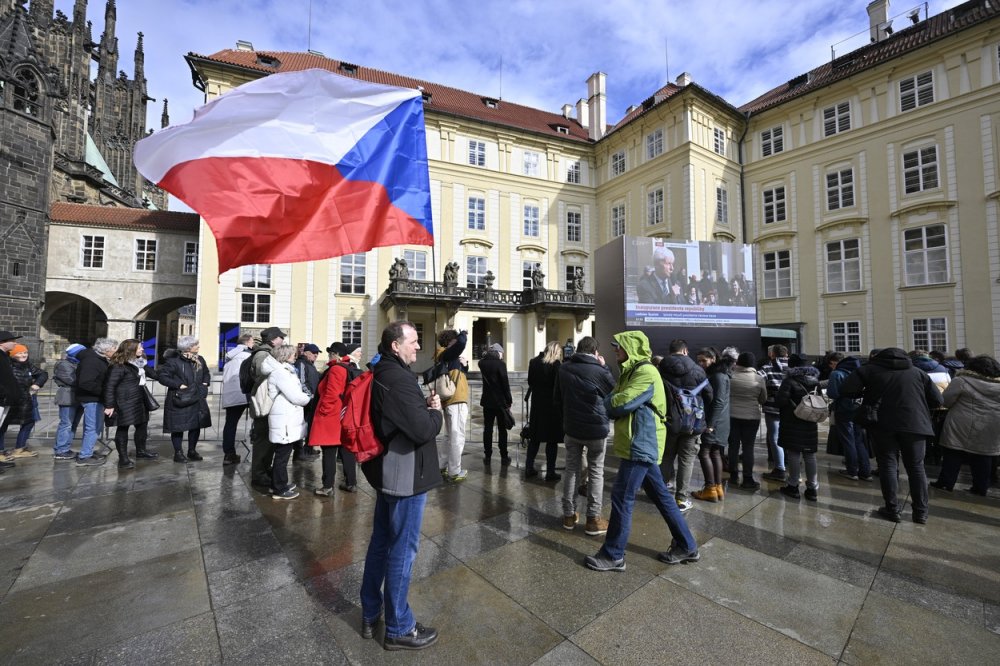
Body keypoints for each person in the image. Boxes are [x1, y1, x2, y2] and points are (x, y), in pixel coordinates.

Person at [584, 331, 699, 571]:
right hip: (639, 442)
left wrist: (609, 401)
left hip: (641, 444)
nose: (615, 349)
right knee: (662, 497)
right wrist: (612, 398)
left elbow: (620, 402)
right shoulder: (632, 371)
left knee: (622, 497)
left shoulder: (646, 372)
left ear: (632, 347)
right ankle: (687, 546)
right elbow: (616, 397)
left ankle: (613, 554)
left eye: (620, 346)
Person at [360, 321, 443, 650]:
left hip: (388, 474)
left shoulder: (382, 370)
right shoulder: (399, 379)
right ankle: (398, 626)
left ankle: (370, 611)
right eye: (413, 341)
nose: (418, 347)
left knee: (381, 543)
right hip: (405, 476)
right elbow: (422, 430)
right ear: (396, 345)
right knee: (402, 551)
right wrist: (435, 413)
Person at [840, 347, 943, 524]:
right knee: (916, 467)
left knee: (888, 464)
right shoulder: (918, 372)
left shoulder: (868, 370)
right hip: (915, 424)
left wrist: (867, 392)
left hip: (882, 423)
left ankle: (892, 509)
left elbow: (846, 390)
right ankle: (921, 512)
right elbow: (938, 400)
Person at [554, 335, 614, 536]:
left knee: (571, 470)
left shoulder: (564, 368)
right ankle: (593, 519)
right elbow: (612, 394)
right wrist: (605, 368)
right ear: (595, 352)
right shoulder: (599, 370)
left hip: (572, 427)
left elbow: (557, 398)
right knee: (596, 471)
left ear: (578, 349)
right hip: (596, 429)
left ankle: (569, 516)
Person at [931, 355, 1000, 495]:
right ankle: (981, 487)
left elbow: (946, 401)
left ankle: (946, 483)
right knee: (983, 455)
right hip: (991, 423)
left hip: (961, 422)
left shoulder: (961, 380)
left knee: (953, 452)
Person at [658, 338, 712, 512]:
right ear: (685, 351)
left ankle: (661, 493)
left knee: (666, 457)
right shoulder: (698, 370)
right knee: (686, 460)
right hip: (693, 423)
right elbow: (709, 395)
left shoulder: (661, 370)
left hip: (669, 421)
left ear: (670, 351)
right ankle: (681, 498)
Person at [309, 341, 363, 495]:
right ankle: (351, 483)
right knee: (346, 450)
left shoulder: (336, 369)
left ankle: (327, 487)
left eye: (330, 352)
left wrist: (323, 411)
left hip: (331, 416)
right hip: (342, 415)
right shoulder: (348, 367)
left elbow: (331, 394)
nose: (329, 355)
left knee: (329, 452)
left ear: (336, 354)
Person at [102, 339, 158, 468]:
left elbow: (155, 374)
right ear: (131, 349)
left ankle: (141, 451)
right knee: (123, 427)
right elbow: (109, 386)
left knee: (142, 425)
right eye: (139, 348)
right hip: (124, 402)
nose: (142, 349)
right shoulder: (118, 365)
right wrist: (109, 405)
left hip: (139, 400)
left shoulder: (139, 363)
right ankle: (123, 459)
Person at [266, 344, 311, 499]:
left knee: (283, 452)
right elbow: (295, 396)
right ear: (284, 355)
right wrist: (308, 398)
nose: (295, 355)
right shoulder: (281, 373)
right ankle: (279, 488)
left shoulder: (286, 370)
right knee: (282, 454)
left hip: (286, 416)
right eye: (292, 353)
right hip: (284, 417)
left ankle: (278, 483)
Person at [158, 336, 212, 463]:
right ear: (188, 348)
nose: (198, 346)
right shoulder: (174, 361)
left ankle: (192, 451)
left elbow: (206, 373)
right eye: (196, 345)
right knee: (178, 427)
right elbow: (162, 377)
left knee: (195, 425)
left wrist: (205, 383)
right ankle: (178, 453)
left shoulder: (200, 359)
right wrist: (179, 385)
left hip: (196, 397)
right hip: (180, 398)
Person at [775, 354, 821, 501]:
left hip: (792, 421)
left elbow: (780, 400)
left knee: (794, 453)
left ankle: (793, 485)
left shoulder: (789, 381)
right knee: (810, 455)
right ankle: (812, 488)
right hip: (810, 420)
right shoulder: (815, 381)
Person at [691, 347, 734, 502]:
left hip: (715, 421)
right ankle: (717, 488)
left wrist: (710, 423)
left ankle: (710, 488)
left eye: (704, 360)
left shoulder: (718, 376)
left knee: (705, 453)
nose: (701, 363)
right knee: (715, 453)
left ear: (713, 359)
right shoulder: (721, 374)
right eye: (699, 361)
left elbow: (718, 401)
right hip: (720, 421)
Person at [248, 327, 286, 488]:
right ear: (272, 340)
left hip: (268, 403)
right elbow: (262, 377)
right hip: (263, 403)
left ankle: (264, 468)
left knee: (268, 440)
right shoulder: (263, 355)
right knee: (262, 441)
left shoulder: (267, 353)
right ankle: (258, 473)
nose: (283, 341)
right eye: (280, 338)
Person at [74, 337, 118, 466]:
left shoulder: (98, 359)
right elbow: (86, 382)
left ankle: (87, 451)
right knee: (92, 428)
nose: (116, 351)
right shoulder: (92, 361)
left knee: (95, 427)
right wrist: (104, 392)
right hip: (91, 399)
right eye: (114, 349)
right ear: (106, 350)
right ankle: (84, 456)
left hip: (95, 398)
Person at [525, 340, 564, 481]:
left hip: (537, 404)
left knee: (534, 438)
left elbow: (530, 382)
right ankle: (550, 471)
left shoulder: (534, 362)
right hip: (552, 407)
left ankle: (529, 467)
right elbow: (559, 385)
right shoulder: (556, 365)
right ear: (555, 351)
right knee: (552, 440)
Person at [827, 355, 870, 481]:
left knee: (848, 440)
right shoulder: (860, 373)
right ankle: (865, 471)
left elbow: (832, 393)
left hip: (843, 409)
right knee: (859, 440)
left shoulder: (837, 374)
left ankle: (852, 471)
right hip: (858, 409)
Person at [0, 344, 47, 459]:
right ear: (12, 354)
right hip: (9, 400)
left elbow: (43, 374)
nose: (23, 355)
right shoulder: (7, 364)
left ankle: (19, 449)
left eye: (25, 352)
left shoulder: (28, 365)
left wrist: (37, 384)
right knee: (2, 425)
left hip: (25, 401)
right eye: (20, 353)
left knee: (28, 423)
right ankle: (0, 452)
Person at [728, 351, 767, 489]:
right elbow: (763, 399)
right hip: (751, 417)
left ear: (738, 362)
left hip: (732, 415)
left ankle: (733, 474)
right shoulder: (759, 379)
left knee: (733, 446)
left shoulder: (730, 376)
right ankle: (748, 478)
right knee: (748, 447)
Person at [435, 329, 469, 482]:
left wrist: (465, 365)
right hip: (456, 401)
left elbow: (459, 375)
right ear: (451, 341)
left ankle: (441, 466)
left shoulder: (446, 355)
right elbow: (461, 342)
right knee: (457, 436)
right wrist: (463, 333)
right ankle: (454, 471)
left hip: (452, 400)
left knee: (449, 436)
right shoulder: (447, 353)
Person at [220, 333, 253, 466]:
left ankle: (229, 454)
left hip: (231, 395)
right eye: (252, 342)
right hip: (246, 393)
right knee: (257, 422)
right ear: (248, 342)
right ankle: (256, 452)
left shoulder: (229, 358)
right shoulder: (248, 357)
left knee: (230, 425)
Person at [478, 342, 512, 466]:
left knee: (488, 429)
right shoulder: (500, 364)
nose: (502, 355)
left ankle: (487, 455)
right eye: (501, 353)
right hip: (500, 402)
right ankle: (504, 455)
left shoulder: (482, 363)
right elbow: (505, 384)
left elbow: (483, 358)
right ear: (498, 352)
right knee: (502, 430)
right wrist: (509, 400)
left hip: (487, 401)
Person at [759, 345, 789, 482]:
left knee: (775, 439)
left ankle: (780, 468)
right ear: (786, 354)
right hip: (791, 409)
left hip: (772, 408)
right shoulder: (793, 368)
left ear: (772, 355)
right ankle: (791, 465)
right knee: (790, 436)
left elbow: (757, 381)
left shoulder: (767, 368)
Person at [52, 343, 87, 461]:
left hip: (78, 397)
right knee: (66, 424)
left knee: (73, 425)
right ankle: (60, 450)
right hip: (67, 397)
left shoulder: (78, 364)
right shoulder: (64, 364)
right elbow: (72, 380)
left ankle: (66, 448)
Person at [292, 342, 322, 462]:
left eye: (317, 353)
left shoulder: (310, 364)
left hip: (311, 400)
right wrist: (310, 396)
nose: (316, 355)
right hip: (306, 400)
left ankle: (307, 449)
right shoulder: (301, 363)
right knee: (302, 425)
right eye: (313, 353)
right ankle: (299, 452)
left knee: (309, 425)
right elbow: (302, 382)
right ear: (306, 353)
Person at [0, 331, 20, 472]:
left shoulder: (5, 356)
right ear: (2, 342)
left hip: (5, 399)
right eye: (12, 340)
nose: (14, 343)